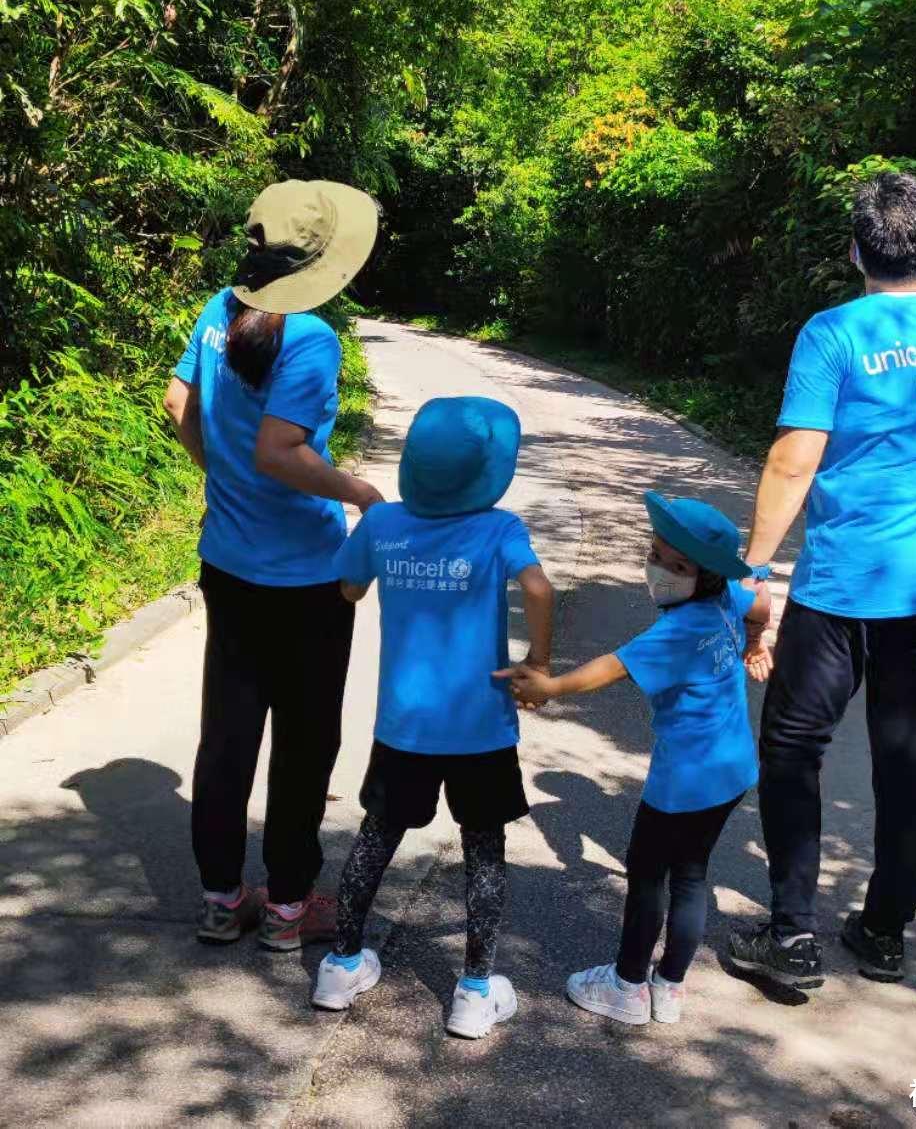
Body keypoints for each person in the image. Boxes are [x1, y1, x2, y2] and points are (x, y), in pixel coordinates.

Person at [728, 170, 916, 992]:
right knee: (907, 757)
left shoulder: (833, 332)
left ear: (857, 249)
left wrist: (755, 567)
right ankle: (884, 932)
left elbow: (794, 459)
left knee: (794, 746)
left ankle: (792, 937)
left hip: (840, 585)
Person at [164, 178, 384, 951]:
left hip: (228, 562)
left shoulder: (218, 311)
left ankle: (222, 899)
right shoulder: (312, 337)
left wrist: (217, 475)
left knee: (226, 735)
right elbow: (280, 451)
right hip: (307, 578)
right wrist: (360, 491)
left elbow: (177, 404)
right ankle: (289, 907)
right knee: (304, 742)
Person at [313, 395, 555, 1040]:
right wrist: (538, 663)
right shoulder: (500, 529)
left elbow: (348, 589)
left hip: (405, 722)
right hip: (480, 724)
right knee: (484, 848)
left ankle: (340, 966)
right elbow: (538, 588)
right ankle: (474, 991)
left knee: (377, 837)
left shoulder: (384, 523)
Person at [501, 492, 771, 1027]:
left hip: (683, 779)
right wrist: (756, 641)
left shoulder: (678, 630)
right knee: (691, 875)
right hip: (734, 768)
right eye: (655, 555)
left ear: (707, 576)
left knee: (648, 876)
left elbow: (613, 666)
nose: (659, 570)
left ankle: (626, 985)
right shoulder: (724, 600)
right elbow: (759, 601)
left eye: (678, 566)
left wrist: (551, 687)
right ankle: (669, 987)